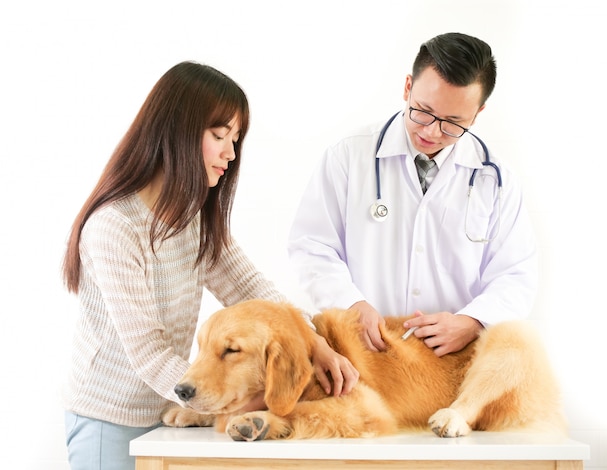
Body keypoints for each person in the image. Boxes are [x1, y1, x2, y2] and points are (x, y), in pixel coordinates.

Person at [61, 61, 358, 470]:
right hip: (109, 420)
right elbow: (148, 352)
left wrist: (314, 343)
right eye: (219, 135)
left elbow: (253, 290)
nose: (230, 152)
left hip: (167, 413)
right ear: (177, 131)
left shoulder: (193, 219)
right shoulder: (114, 227)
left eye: (235, 139)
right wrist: (220, 397)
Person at [288, 33, 537, 357]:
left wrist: (473, 321)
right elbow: (311, 246)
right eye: (423, 111)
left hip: (450, 361)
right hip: (363, 352)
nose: (432, 132)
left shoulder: (495, 179)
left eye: (453, 123)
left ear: (477, 114)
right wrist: (350, 303)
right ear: (408, 87)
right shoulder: (349, 156)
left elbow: (515, 273)